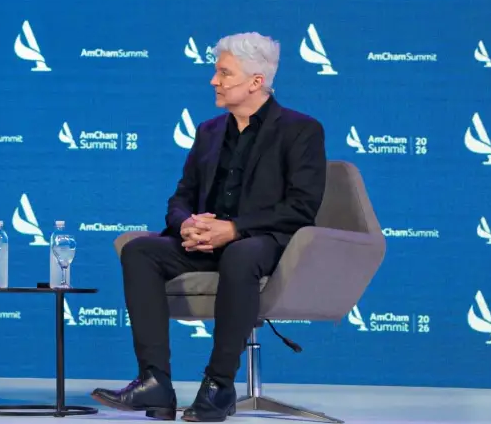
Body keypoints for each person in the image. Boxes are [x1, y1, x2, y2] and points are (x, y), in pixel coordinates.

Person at [91, 32, 326, 422]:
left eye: (223, 73)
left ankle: (219, 385)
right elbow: (181, 197)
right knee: (139, 251)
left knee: (240, 253)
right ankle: (155, 383)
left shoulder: (301, 130)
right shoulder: (209, 131)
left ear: (256, 81)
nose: (213, 81)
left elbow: (301, 207)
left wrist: (234, 229)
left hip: (263, 245)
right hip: (205, 244)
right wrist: (186, 225)